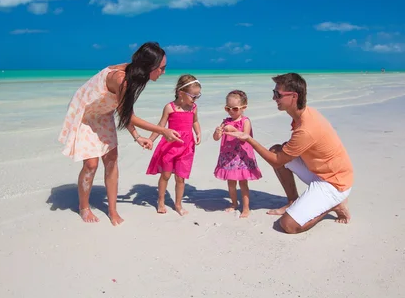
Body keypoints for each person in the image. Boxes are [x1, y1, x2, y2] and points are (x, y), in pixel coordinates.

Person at [58, 42, 183, 226]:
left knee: (111, 160)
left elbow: (124, 112)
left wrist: (137, 136)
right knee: (91, 164)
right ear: (149, 67)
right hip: (85, 114)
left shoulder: (135, 75)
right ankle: (84, 207)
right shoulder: (121, 79)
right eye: (161, 68)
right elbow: (130, 116)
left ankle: (112, 210)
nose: (163, 72)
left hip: (103, 114)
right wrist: (162, 130)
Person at [224, 73, 353, 234]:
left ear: (294, 96)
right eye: (274, 93)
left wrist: (248, 139)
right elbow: (283, 154)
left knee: (288, 225)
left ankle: (333, 206)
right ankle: (293, 200)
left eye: (278, 94)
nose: (274, 98)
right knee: (277, 149)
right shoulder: (304, 114)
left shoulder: (306, 128)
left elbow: (277, 162)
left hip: (334, 182)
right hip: (321, 171)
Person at [146, 74, 202, 216]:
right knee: (165, 175)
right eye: (193, 96)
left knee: (180, 177)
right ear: (181, 93)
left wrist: (198, 133)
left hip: (187, 146)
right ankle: (161, 201)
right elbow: (161, 126)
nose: (195, 99)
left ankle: (178, 204)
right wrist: (151, 139)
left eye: (197, 96)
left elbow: (195, 121)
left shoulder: (193, 108)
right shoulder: (170, 108)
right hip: (170, 146)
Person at [213, 90, 262, 218]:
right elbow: (216, 138)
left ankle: (246, 208)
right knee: (230, 183)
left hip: (241, 157)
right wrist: (217, 132)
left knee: (243, 183)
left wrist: (233, 129)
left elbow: (244, 136)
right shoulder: (225, 121)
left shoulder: (245, 121)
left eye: (234, 109)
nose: (231, 111)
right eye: (227, 108)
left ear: (243, 108)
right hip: (228, 156)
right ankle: (234, 203)